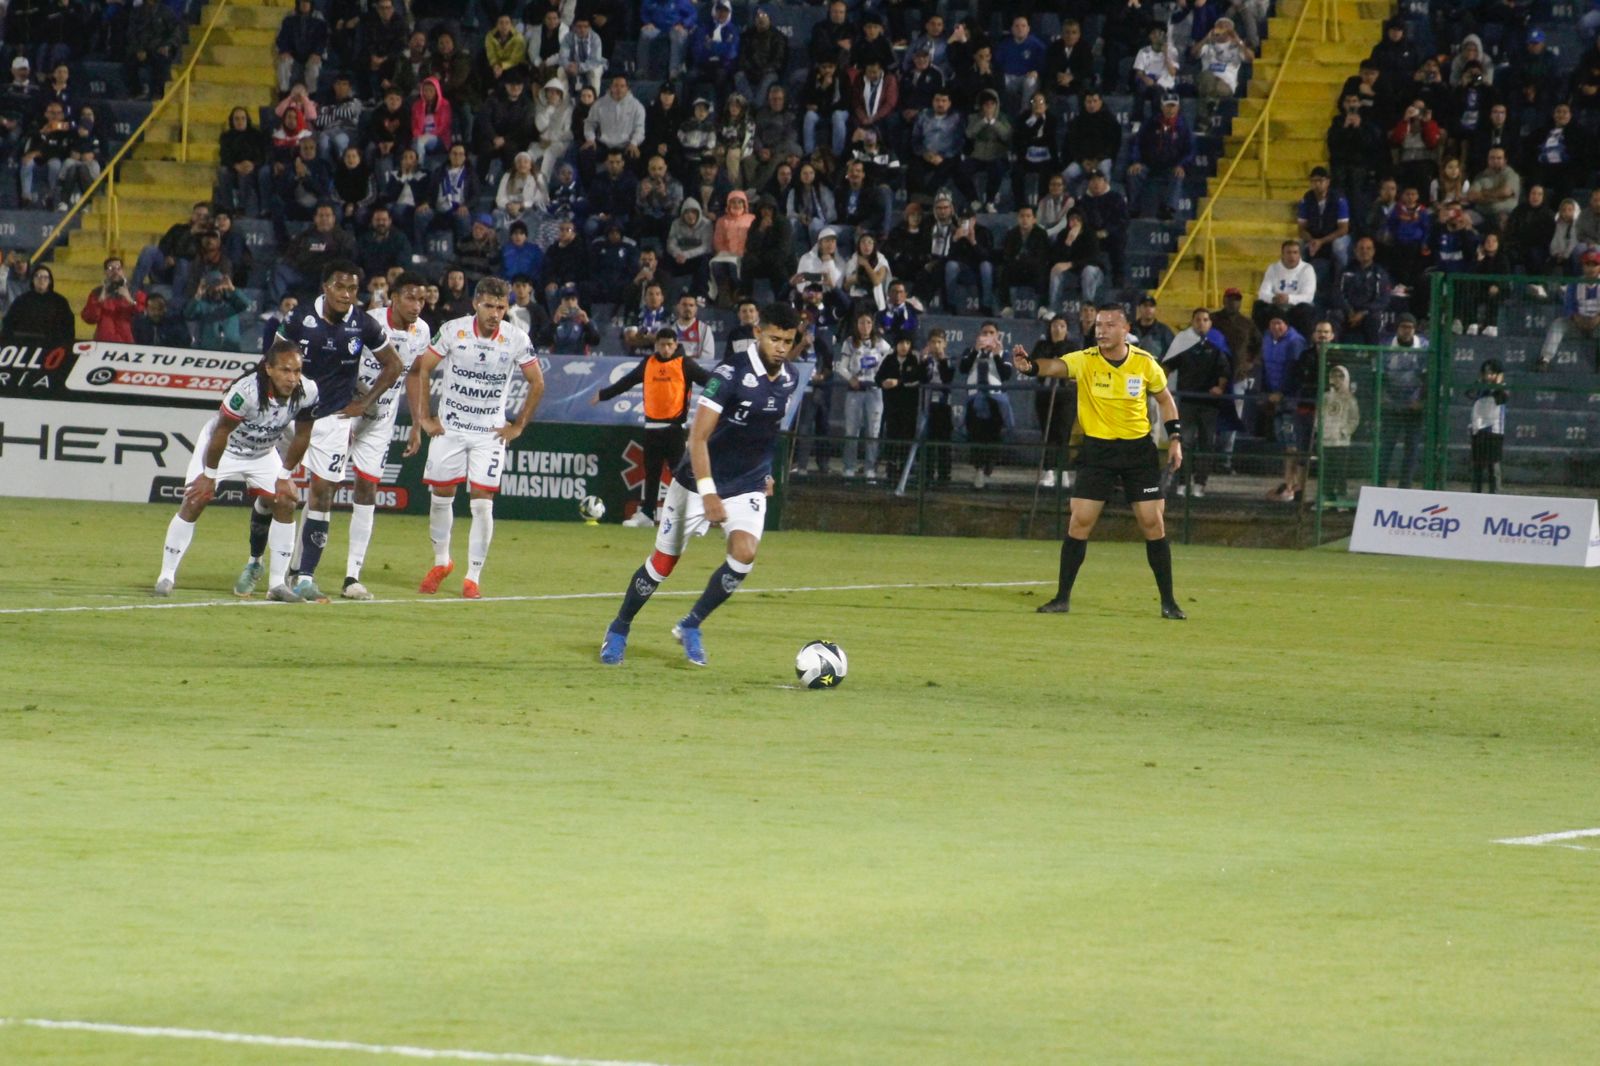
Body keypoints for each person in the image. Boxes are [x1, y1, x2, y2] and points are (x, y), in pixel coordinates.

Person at [598, 302, 801, 666]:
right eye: (775, 339)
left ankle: (691, 624)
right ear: (758, 334)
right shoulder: (728, 375)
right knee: (662, 564)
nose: (782, 348)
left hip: (747, 483)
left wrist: (766, 472)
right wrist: (708, 493)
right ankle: (619, 627)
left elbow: (766, 432)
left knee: (744, 553)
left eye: (788, 340)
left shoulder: (790, 378)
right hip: (696, 483)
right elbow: (698, 438)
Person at [1013, 304, 1186, 619]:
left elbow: (1165, 400)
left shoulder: (1145, 363)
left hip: (1137, 452)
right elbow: (1053, 367)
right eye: (1098, 326)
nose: (1101, 330)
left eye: (1109, 324)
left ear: (1125, 329)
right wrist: (1030, 368)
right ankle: (1062, 598)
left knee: (1152, 523)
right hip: (1098, 452)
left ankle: (1169, 602)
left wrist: (1175, 439)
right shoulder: (1086, 360)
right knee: (1079, 522)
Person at [264, 260, 402, 603]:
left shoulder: (363, 324)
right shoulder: (299, 319)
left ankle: (305, 576)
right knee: (272, 494)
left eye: (353, 289)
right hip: (292, 416)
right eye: (340, 287)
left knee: (322, 495)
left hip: (332, 421)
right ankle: (258, 562)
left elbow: (394, 365)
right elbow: (270, 361)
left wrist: (364, 402)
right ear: (325, 287)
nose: (346, 295)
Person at [409, 276, 545, 599]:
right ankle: (442, 562)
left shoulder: (516, 338)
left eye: (501, 307)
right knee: (441, 494)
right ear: (475, 304)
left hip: (489, 432)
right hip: (451, 427)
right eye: (489, 306)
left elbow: (537, 382)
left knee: (483, 502)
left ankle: (473, 577)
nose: (495, 313)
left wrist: (518, 425)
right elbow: (423, 368)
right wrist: (425, 418)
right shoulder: (454, 330)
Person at [154, 341, 317, 600]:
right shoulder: (246, 392)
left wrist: (285, 476)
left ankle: (276, 585)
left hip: (262, 452)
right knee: (195, 499)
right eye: (286, 371)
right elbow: (221, 432)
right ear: (269, 369)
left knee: (286, 500)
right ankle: (166, 575)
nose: (292, 378)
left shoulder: (307, 390)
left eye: (297, 371)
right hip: (226, 449)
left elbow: (303, 435)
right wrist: (209, 475)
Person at [322, 271, 434, 601]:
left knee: (367, 487)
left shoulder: (423, 331)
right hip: (344, 411)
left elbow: (414, 374)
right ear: (394, 298)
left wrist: (417, 422)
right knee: (324, 486)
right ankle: (302, 567)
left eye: (422, 299)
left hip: (380, 418)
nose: (417, 305)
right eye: (411, 298)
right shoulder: (368, 322)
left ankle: (351, 577)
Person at [596, 327, 714, 528]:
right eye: (662, 345)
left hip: (674, 428)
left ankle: (696, 517)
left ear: (676, 345)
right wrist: (603, 394)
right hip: (651, 427)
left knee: (681, 475)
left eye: (670, 344)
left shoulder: (685, 364)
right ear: (656, 345)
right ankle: (647, 514)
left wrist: (721, 397)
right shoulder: (648, 363)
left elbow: (710, 381)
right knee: (651, 474)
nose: (666, 349)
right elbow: (626, 381)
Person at [1161, 308, 1233, 498]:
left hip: (1209, 404)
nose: (1201, 323)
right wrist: (1160, 384)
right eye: (1198, 319)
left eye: (1205, 320)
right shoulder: (1183, 346)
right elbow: (1167, 365)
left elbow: (1224, 371)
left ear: (1210, 324)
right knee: (1184, 444)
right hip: (1187, 402)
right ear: (1192, 322)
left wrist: (1220, 387)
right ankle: (1183, 483)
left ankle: (1200, 483)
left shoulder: (1217, 347)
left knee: (1206, 444)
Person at [838, 311, 891, 481]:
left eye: (868, 323)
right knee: (852, 431)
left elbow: (891, 357)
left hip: (875, 391)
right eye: (861, 322)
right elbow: (841, 367)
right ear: (856, 324)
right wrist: (850, 378)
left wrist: (881, 375)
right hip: (855, 391)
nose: (865, 326)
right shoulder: (850, 343)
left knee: (873, 432)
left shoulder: (880, 343)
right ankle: (849, 468)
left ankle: (870, 469)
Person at [1378, 312, 1427, 488]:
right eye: (1403, 327)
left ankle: (1405, 487)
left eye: (1410, 327)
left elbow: (1428, 376)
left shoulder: (1423, 346)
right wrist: (1383, 396)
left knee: (1411, 449)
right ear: (1397, 329)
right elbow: (1378, 374)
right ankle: (1379, 485)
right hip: (1392, 404)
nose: (1407, 331)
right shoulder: (1385, 346)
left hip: (1414, 405)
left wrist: (1420, 400)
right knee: (1386, 447)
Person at [875, 332, 926, 483]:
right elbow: (878, 377)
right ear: (896, 345)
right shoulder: (889, 360)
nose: (904, 347)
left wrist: (899, 382)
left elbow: (918, 379)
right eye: (901, 343)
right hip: (891, 406)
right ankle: (891, 468)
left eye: (907, 343)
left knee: (907, 435)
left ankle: (906, 468)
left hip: (909, 406)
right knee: (891, 435)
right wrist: (883, 383)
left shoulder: (913, 360)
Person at [1537, 251, 1600, 371]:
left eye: (1594, 265)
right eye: (1588, 265)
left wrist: (1596, 320)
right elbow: (1569, 308)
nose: (1591, 268)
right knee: (1558, 324)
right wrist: (1579, 320)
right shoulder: (1574, 284)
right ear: (1583, 266)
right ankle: (1544, 359)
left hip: (1597, 326)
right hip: (1578, 325)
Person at [0, 264, 74, 351]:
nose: (41, 280)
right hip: (24, 347)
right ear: (32, 280)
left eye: (45, 277)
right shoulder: (21, 300)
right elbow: (9, 323)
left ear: (50, 281)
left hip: (52, 348)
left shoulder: (60, 301)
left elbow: (68, 326)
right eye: (37, 276)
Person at [1254, 240, 1317, 337]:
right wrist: (1273, 298)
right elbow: (1262, 293)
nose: (1292, 256)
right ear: (1282, 254)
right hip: (1276, 307)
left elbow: (1308, 296)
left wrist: (1288, 299)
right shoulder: (1273, 268)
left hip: (1295, 308)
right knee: (1258, 305)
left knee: (1306, 309)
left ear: (1300, 254)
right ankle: (1259, 343)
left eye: (1295, 252)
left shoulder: (1307, 269)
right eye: (1288, 252)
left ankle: (1304, 345)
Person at [1319, 363, 1360, 503]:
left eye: (1340, 376)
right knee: (1326, 470)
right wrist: (1320, 430)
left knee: (1340, 470)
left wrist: (1345, 431)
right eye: (1334, 376)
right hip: (1326, 440)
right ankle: (1325, 496)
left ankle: (1341, 497)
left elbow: (1354, 419)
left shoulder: (1350, 399)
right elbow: (1319, 415)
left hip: (1341, 442)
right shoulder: (1325, 397)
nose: (1336, 379)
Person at [82, 256, 145, 343]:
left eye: (118, 268)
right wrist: (99, 301)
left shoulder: (135, 293)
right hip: (103, 343)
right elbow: (89, 319)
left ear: (123, 271)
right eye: (111, 268)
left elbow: (145, 317)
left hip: (128, 343)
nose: (115, 272)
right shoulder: (97, 293)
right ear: (105, 272)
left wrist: (130, 300)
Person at [1467, 358, 1507, 493]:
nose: (1488, 376)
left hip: (1494, 430)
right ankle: (1475, 494)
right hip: (1478, 428)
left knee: (1493, 466)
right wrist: (1480, 383)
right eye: (1486, 373)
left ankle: (1495, 494)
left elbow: (1502, 397)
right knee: (1477, 465)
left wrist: (1498, 383)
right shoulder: (1480, 387)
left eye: (1492, 373)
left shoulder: (1502, 388)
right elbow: (1469, 393)